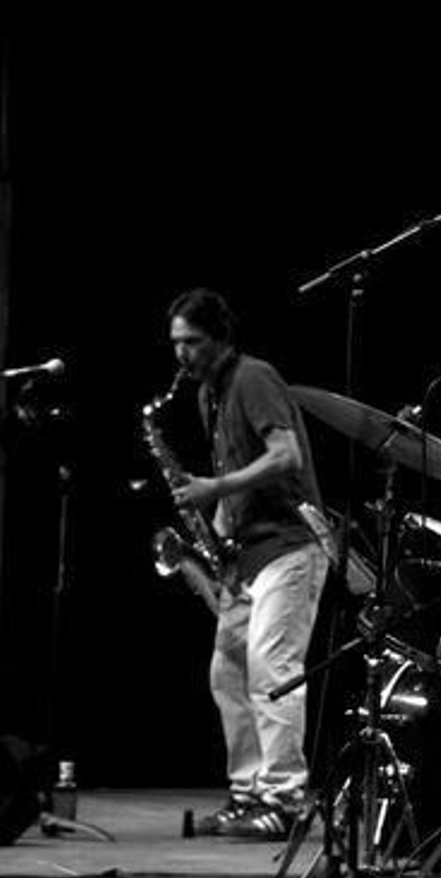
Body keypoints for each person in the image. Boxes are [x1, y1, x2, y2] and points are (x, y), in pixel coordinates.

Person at [166, 287, 331, 840]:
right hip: (247, 554)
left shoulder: (253, 377)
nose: (181, 354)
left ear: (218, 339)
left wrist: (214, 487)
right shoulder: (207, 395)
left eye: (190, 342)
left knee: (272, 670)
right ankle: (247, 791)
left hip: (290, 545)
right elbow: (238, 474)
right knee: (227, 672)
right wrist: (212, 536)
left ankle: (284, 798)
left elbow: (287, 456)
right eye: (175, 343)